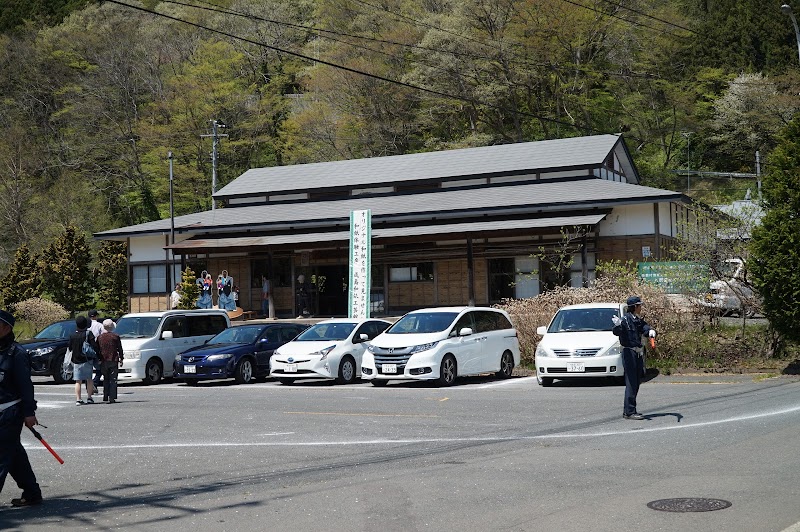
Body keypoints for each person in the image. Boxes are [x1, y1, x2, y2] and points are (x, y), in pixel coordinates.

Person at [0, 309, 43, 507]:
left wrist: (29, 412)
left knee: (2, 455)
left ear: (7, 328)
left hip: (10, 411)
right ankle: (32, 493)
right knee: (13, 454)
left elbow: (26, 385)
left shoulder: (17, 353)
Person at [612, 296, 656, 420]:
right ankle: (629, 411)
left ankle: (631, 409)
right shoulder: (625, 320)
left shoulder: (636, 319)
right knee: (631, 382)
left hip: (637, 353)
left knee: (636, 381)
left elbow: (643, 327)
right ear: (635, 307)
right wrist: (617, 326)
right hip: (629, 352)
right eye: (639, 305)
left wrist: (650, 331)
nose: (641, 307)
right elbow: (617, 332)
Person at [69, 316, 99, 406]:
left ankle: (78, 399)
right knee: (89, 379)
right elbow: (94, 345)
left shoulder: (72, 335)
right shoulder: (88, 334)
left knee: (78, 381)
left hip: (76, 360)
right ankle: (89, 397)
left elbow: (70, 347)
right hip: (87, 359)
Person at [97, 319, 124, 404]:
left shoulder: (100, 337)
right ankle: (112, 397)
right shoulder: (115, 336)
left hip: (103, 360)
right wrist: (121, 358)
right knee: (113, 379)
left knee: (106, 379)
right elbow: (119, 349)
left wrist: (99, 359)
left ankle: (105, 396)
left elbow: (97, 349)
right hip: (113, 359)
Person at [88, 310, 105, 392]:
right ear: (95, 316)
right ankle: (94, 383)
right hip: (96, 348)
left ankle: (89, 385)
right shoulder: (99, 325)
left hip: (86, 349)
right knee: (99, 368)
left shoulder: (86, 326)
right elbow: (103, 336)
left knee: (88, 369)